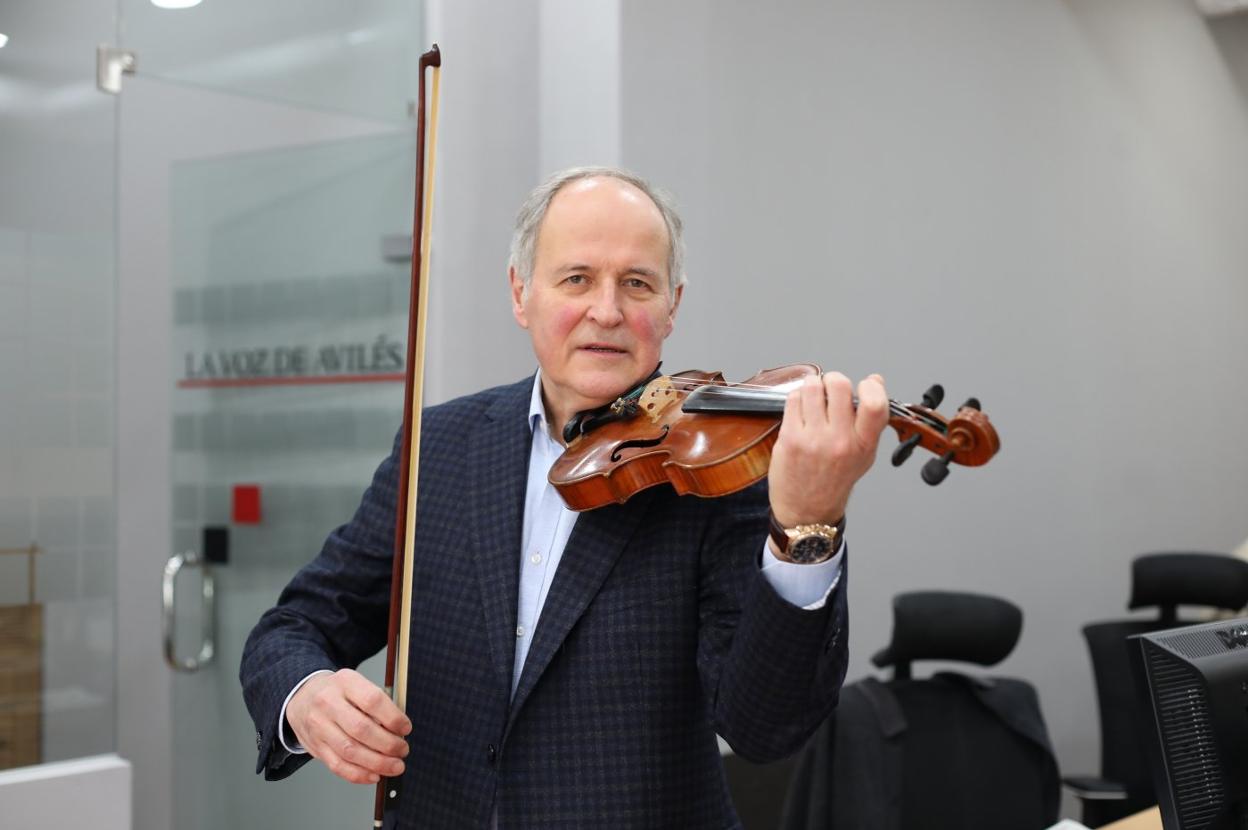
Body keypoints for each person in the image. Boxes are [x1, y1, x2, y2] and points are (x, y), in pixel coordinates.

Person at [240, 166, 889, 828]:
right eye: (577, 278)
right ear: (521, 293)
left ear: (673, 305)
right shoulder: (439, 446)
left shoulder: (718, 471)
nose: (607, 311)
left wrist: (807, 527)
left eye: (636, 284)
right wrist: (306, 695)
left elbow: (765, 727)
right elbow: (293, 627)